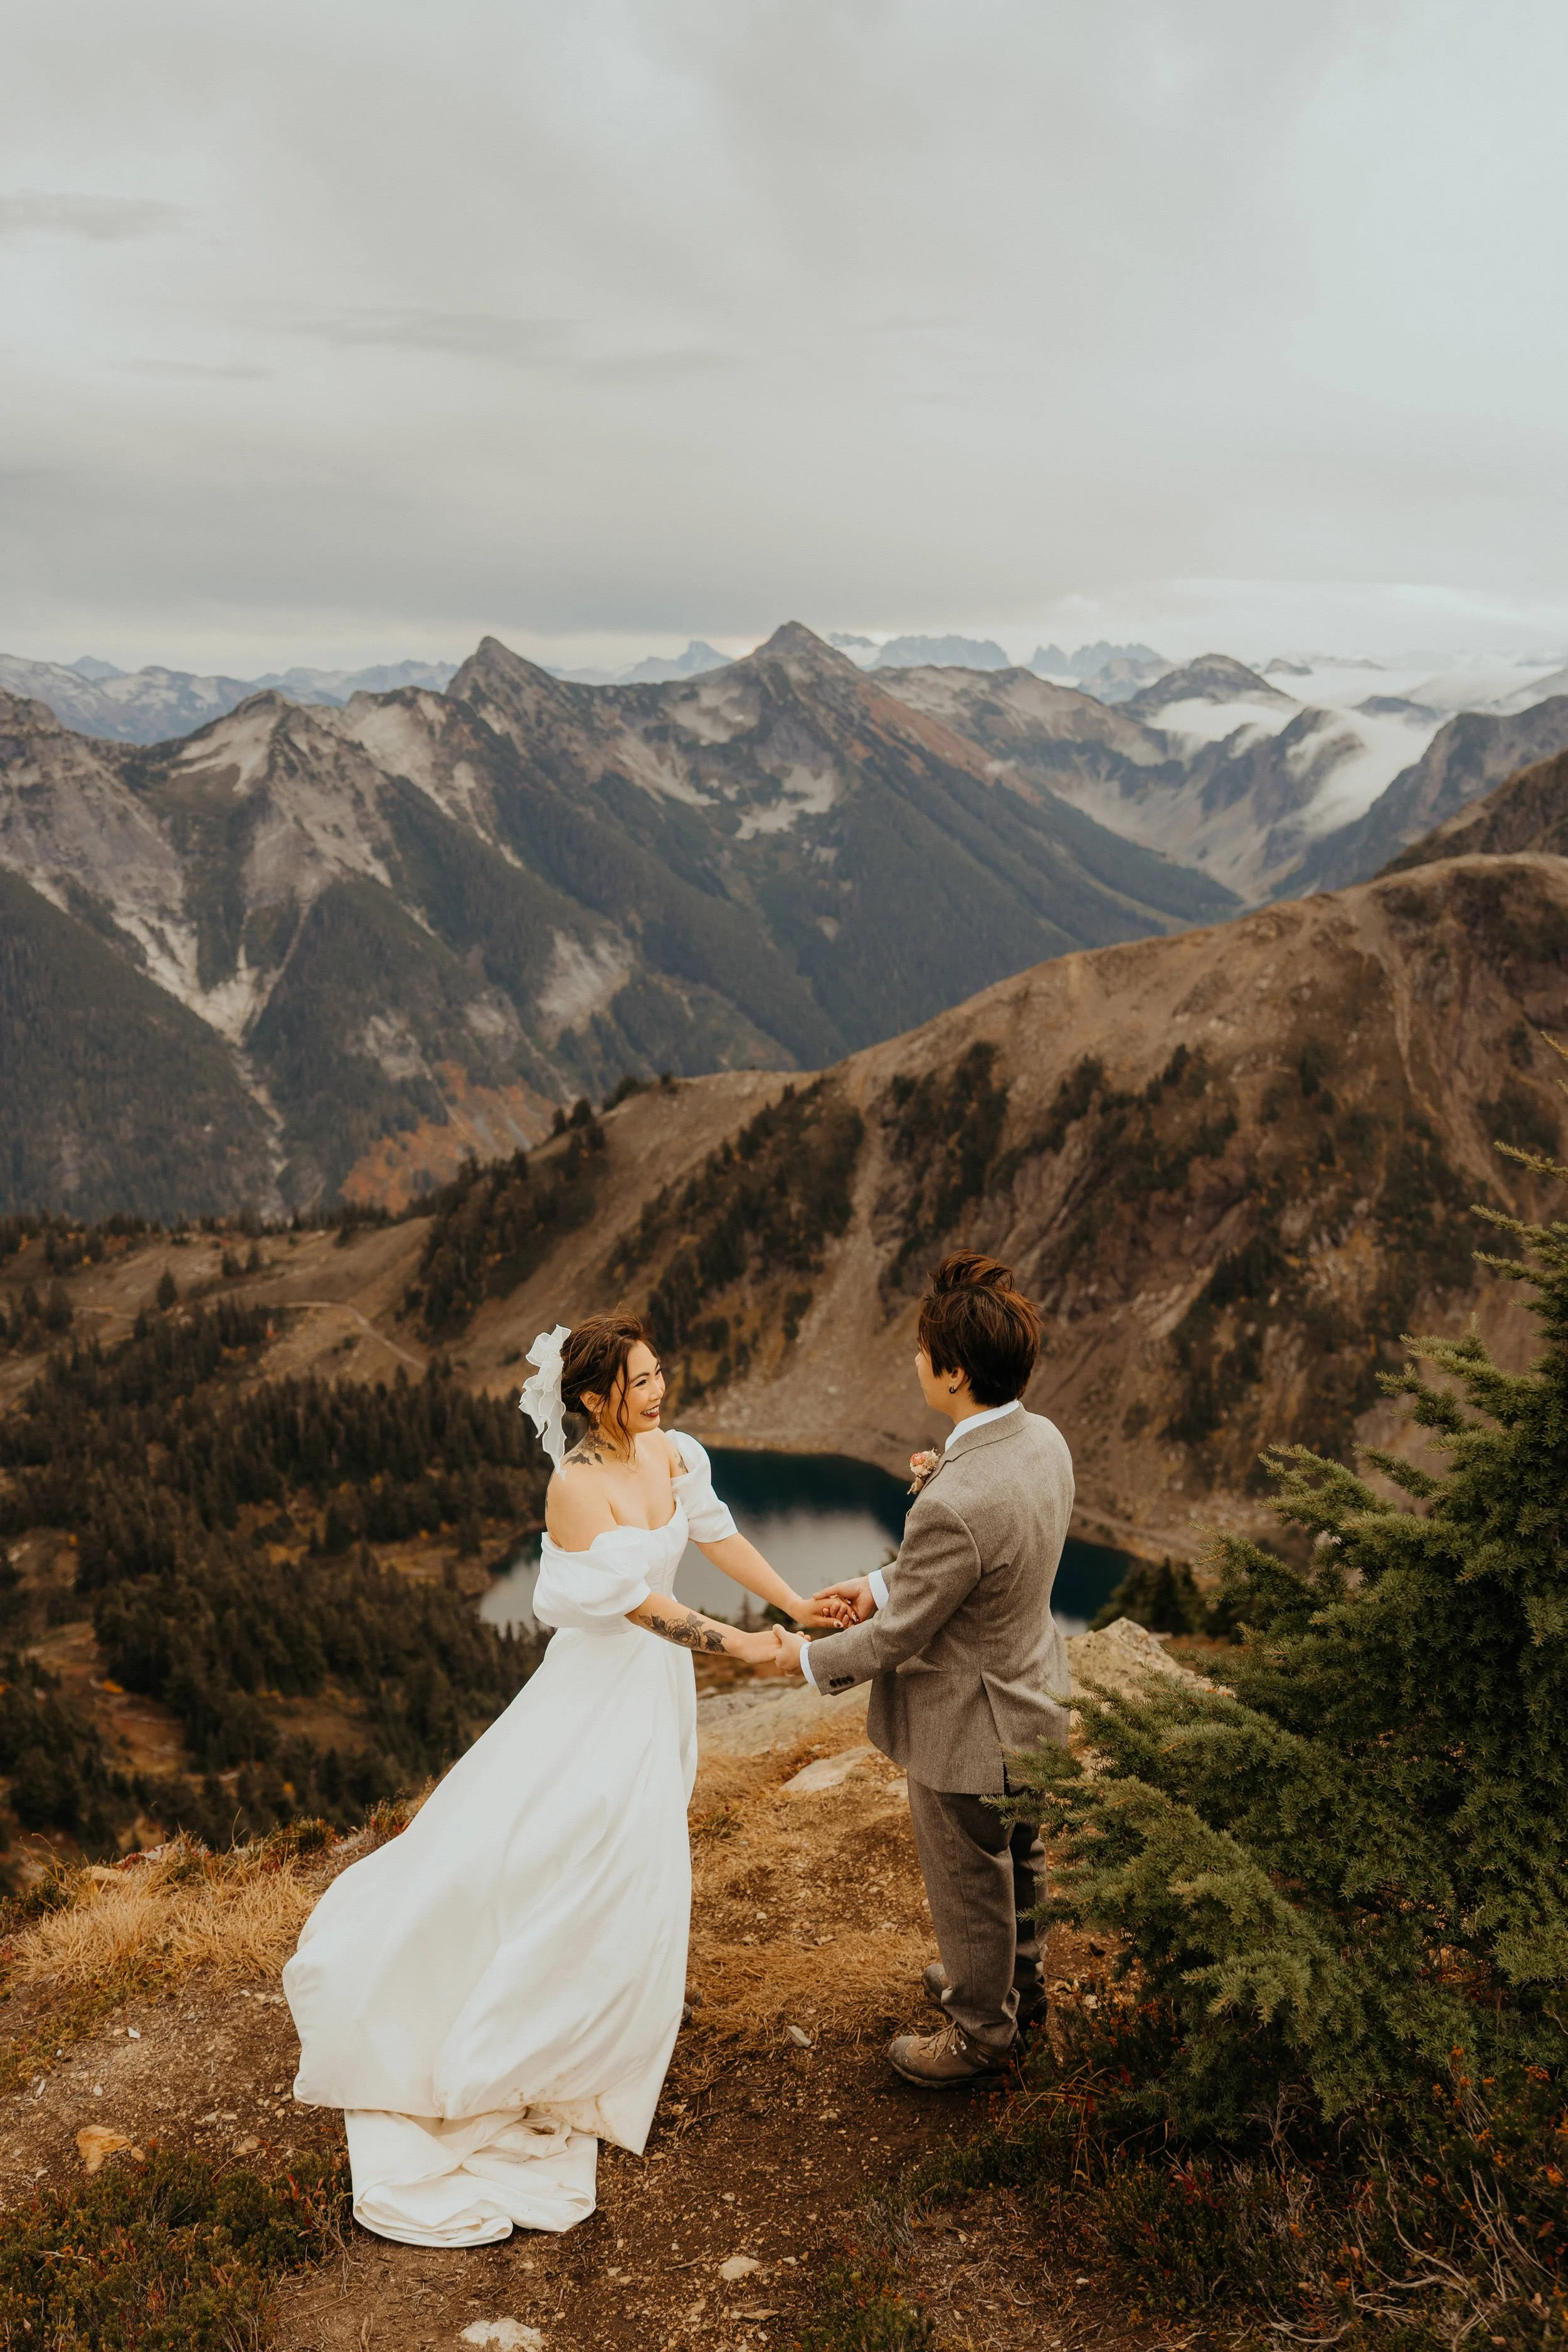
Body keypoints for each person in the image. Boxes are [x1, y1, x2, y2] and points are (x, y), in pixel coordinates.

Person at [282, 1312, 847, 2246]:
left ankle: (614, 1998)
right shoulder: (574, 1490)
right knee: (586, 1847)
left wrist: (792, 1601)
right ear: (592, 1398)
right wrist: (739, 1643)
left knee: (636, 1849)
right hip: (599, 1692)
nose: (660, 1390)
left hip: (652, 1692)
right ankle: (541, 2024)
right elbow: (638, 1604)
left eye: (660, 1370)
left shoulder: (669, 1452)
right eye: (640, 1380)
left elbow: (717, 1534)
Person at [790, 1250, 1074, 2087]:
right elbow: (990, 1561)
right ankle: (1024, 1991)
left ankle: (984, 2034)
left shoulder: (957, 1494)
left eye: (923, 1352)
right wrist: (881, 1580)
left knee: (967, 1882)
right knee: (1022, 1855)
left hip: (968, 1731)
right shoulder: (1042, 1438)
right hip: (1036, 1698)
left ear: (954, 1373)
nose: (915, 1361)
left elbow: (897, 1639)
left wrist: (801, 1655)